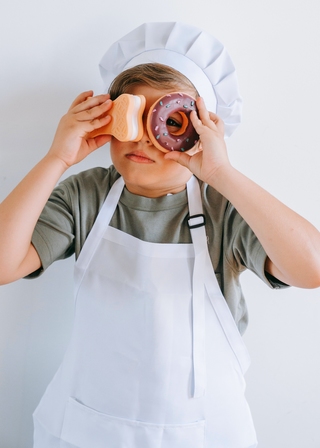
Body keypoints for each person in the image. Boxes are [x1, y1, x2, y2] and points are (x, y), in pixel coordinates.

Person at [1, 22, 320, 448]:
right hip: (86, 429)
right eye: (131, 113)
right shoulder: (87, 195)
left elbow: (311, 268)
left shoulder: (222, 210)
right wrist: (57, 158)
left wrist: (222, 173)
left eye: (170, 120)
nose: (145, 138)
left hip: (201, 434)